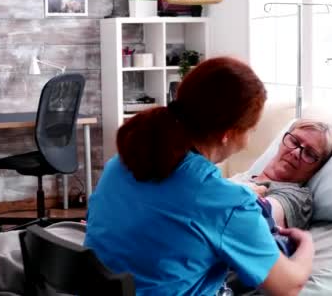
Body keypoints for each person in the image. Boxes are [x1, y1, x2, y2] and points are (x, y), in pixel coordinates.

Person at [85, 57, 315, 295]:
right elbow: (289, 285)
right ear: (228, 133)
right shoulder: (224, 202)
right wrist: (307, 243)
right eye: (251, 131)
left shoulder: (122, 162)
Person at [231, 119, 332, 229]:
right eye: (294, 141)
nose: (296, 152)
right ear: (282, 141)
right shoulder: (242, 177)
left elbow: (249, 218)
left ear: (317, 168)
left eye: (310, 154)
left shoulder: (297, 198)